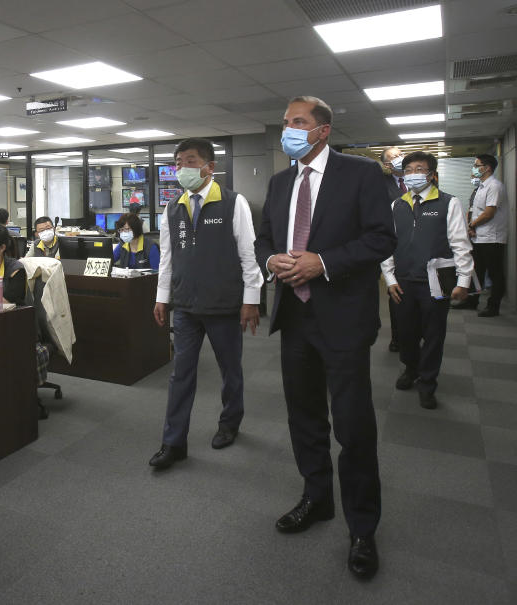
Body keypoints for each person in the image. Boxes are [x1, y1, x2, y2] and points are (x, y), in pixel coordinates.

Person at [254, 96, 396, 580]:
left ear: (323, 130)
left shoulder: (361, 175)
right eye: (285, 121)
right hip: (294, 317)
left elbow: (382, 238)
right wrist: (272, 261)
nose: (289, 129)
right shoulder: (278, 183)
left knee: (353, 426)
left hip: (343, 319)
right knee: (304, 416)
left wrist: (324, 261)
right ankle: (316, 498)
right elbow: (263, 239)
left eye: (298, 122)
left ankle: (362, 527)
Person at [149, 137, 263, 469]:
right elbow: (167, 260)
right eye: (179, 162)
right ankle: (173, 443)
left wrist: (251, 300)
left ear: (209, 167)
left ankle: (230, 423)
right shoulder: (172, 208)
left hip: (225, 306)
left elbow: (249, 255)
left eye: (190, 161)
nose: (183, 167)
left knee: (231, 370)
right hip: (185, 307)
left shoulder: (233, 203)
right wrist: (162, 298)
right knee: (180, 374)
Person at [380, 152, 473, 409]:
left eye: (419, 169)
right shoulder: (397, 205)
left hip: (436, 280)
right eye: (408, 169)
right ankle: (411, 369)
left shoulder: (448, 203)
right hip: (403, 281)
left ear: (431, 174)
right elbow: (389, 245)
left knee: (433, 335)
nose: (412, 174)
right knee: (406, 333)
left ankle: (428, 382)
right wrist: (388, 277)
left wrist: (464, 280)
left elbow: (460, 244)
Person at [468, 154, 509, 317]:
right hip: (479, 236)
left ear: (487, 168)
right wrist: (471, 227)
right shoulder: (481, 186)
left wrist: (472, 224)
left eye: (477, 165)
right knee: (476, 271)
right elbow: (475, 211)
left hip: (493, 238)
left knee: (495, 273)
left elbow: (489, 213)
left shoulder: (495, 186)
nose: (474, 168)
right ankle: (472, 301)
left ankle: (494, 307)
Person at [380, 146, 405, 351]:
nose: (400, 158)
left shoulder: (421, 179)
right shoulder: (382, 184)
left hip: (418, 245)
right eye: (394, 157)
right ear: (387, 165)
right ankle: (398, 337)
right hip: (393, 244)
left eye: (400, 154)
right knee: (396, 291)